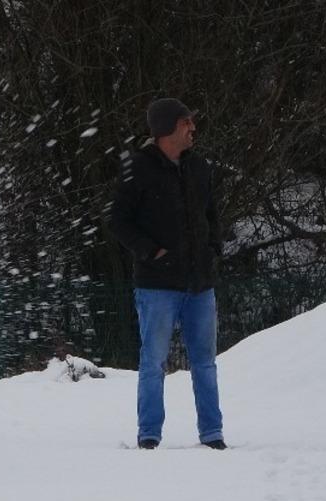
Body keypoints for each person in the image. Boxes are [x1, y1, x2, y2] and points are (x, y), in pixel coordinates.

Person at [109, 97, 226, 450]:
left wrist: (213, 249)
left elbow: (212, 215)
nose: (193, 128)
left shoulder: (200, 167)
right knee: (153, 361)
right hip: (156, 284)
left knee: (205, 363)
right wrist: (152, 252)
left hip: (200, 283)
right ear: (167, 128)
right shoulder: (136, 168)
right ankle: (149, 434)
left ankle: (213, 433)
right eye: (186, 122)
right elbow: (118, 221)